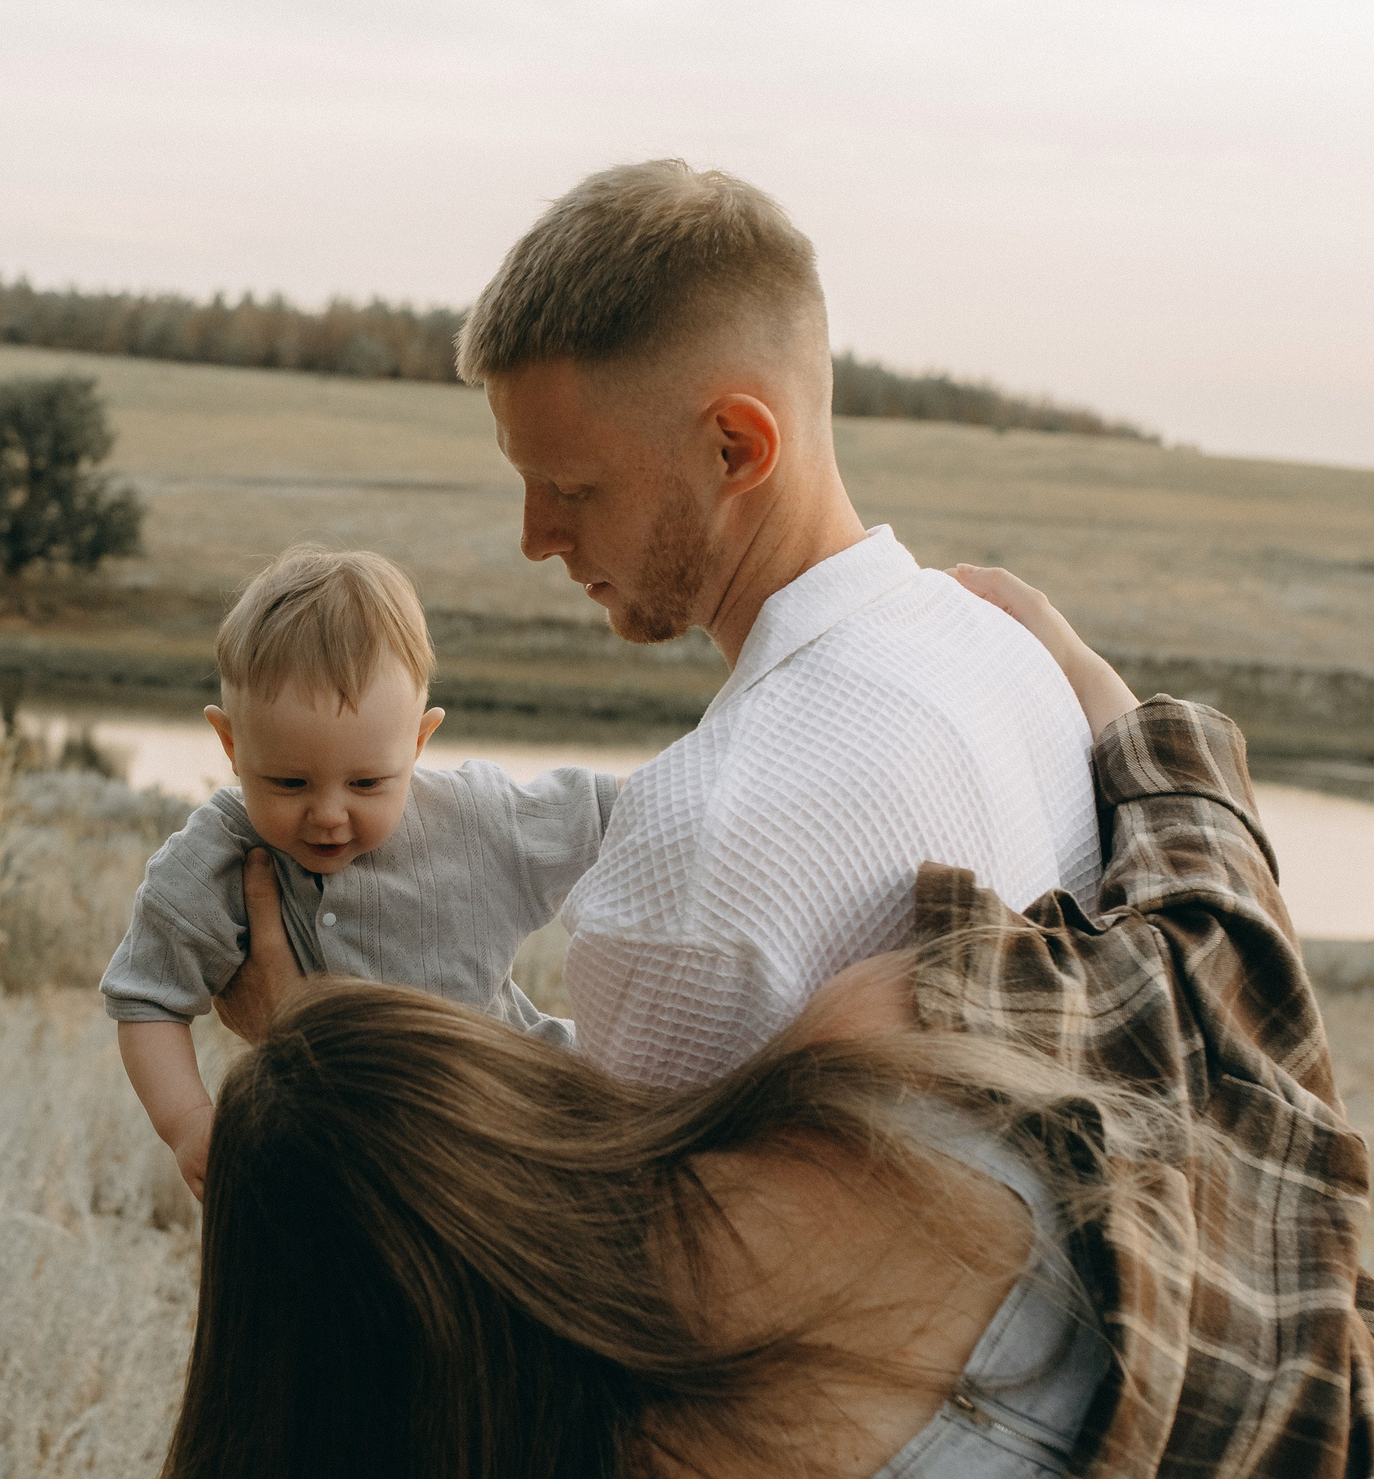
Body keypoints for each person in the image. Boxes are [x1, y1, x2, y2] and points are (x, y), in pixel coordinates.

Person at [142, 570, 1374, 1479]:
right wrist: (1114, 704)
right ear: (484, 1089)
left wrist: (313, 1063)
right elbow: (1217, 991)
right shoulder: (856, 1073)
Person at [461, 161, 1104, 1090]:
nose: (536, 538)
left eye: (571, 488)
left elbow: (605, 1228)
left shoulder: (702, 847)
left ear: (737, 447)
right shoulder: (1017, 656)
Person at [101, 543, 619, 1197]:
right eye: (289, 782)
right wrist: (189, 1122)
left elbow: (625, 814)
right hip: (361, 1168)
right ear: (232, 744)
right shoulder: (216, 856)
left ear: (419, 742)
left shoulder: (478, 817)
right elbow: (144, 995)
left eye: (368, 782)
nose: (328, 815)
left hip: (531, 1120)